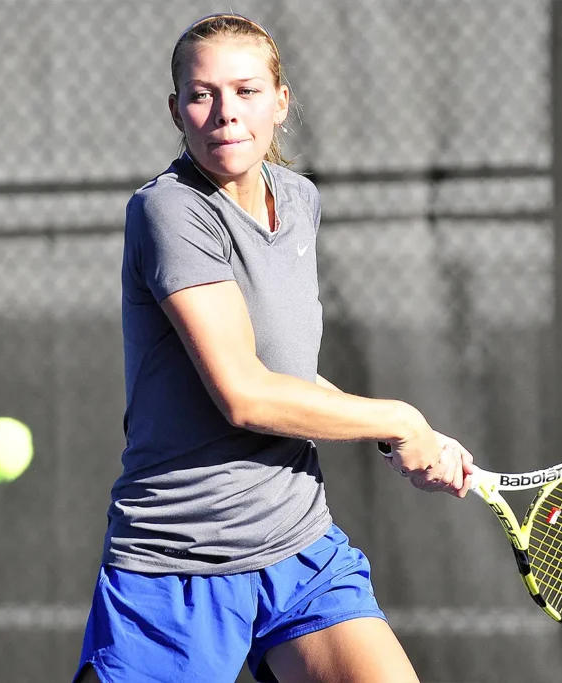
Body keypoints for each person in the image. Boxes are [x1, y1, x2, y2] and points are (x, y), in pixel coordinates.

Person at [73, 12, 474, 683]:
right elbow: (244, 393)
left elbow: (288, 375)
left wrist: (410, 434)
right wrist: (399, 418)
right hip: (180, 562)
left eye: (247, 90)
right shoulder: (169, 211)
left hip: (299, 546)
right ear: (177, 110)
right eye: (203, 95)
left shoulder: (298, 200)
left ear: (281, 102)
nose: (225, 112)